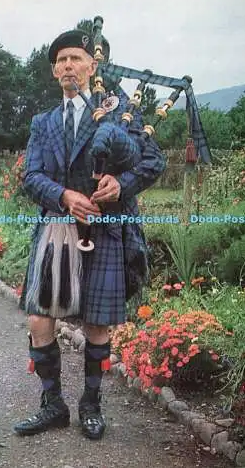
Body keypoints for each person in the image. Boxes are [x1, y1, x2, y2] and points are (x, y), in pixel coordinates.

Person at [14, 28, 166, 440]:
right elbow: (31, 176)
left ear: (92, 66)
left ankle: (91, 406)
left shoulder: (118, 113)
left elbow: (153, 162)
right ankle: (53, 404)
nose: (68, 66)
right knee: (38, 317)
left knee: (98, 323)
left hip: (106, 229)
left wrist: (122, 184)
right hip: (56, 229)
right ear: (53, 72)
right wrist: (63, 196)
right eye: (60, 60)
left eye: (75, 58)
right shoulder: (43, 122)